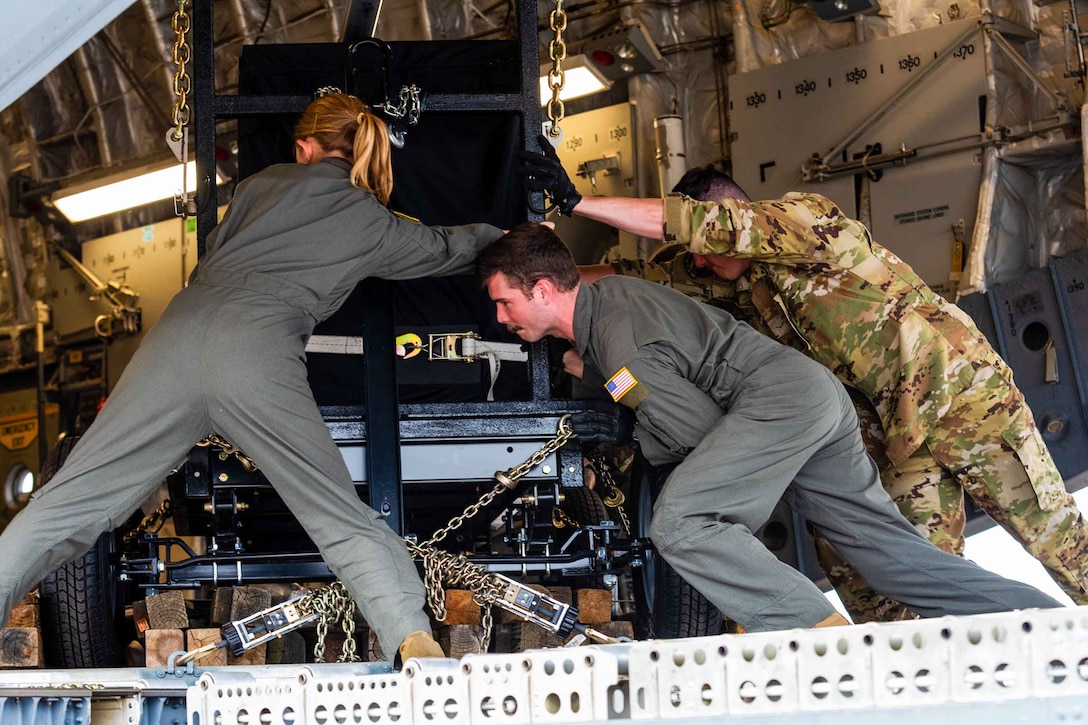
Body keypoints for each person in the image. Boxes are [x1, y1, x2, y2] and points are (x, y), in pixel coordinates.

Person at [0, 92, 506, 663]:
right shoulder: (371, 221)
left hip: (177, 334)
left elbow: (214, 253)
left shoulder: (258, 185)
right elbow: (448, 250)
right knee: (334, 512)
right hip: (257, 350)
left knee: (68, 502)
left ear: (304, 147)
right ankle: (414, 644)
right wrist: (509, 236)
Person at [523, 145, 1088, 621]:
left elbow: (704, 227)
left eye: (709, 249)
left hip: (962, 401)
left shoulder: (805, 223)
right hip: (890, 435)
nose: (701, 262)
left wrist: (579, 203)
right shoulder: (722, 279)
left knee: (1054, 536)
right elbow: (611, 282)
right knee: (893, 581)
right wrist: (529, 266)